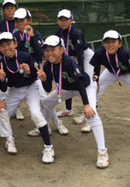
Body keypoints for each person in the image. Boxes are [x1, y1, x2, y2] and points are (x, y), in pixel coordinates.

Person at [35, 35, 109, 168]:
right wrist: (44, 78)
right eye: (46, 50)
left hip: (85, 87)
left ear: (62, 49)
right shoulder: (47, 65)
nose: (49, 53)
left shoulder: (68, 62)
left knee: (91, 114)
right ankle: (45, 127)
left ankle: (103, 152)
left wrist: (86, 104)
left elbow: (80, 83)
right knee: (46, 102)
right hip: (66, 89)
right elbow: (46, 88)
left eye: (53, 49)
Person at [0, 32, 55, 163]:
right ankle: (9, 139)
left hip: (30, 88)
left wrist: (30, 71)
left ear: (15, 44)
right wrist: (2, 79)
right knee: (2, 113)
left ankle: (48, 148)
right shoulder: (0, 63)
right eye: (3, 46)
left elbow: (36, 74)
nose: (7, 48)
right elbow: (4, 89)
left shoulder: (25, 56)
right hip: (14, 91)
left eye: (9, 44)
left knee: (36, 114)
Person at [54, 9, 94, 125]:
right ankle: (68, 109)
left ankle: (87, 113)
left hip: (86, 57)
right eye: (61, 20)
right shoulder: (58, 33)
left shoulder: (76, 33)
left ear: (71, 20)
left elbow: (80, 54)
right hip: (71, 57)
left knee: (86, 84)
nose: (63, 22)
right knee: (68, 80)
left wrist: (80, 71)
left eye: (66, 19)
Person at [0, 0, 25, 121]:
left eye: (12, 8)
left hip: (18, 56)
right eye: (7, 8)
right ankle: (5, 109)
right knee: (4, 84)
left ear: (16, 9)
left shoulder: (20, 23)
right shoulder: (0, 25)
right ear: (3, 11)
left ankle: (17, 108)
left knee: (18, 81)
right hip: (5, 57)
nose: (9, 10)